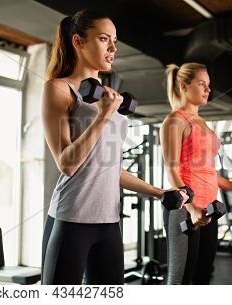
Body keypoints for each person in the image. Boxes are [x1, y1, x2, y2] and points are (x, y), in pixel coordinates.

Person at [41, 10, 187, 285]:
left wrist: (159, 191)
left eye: (115, 41)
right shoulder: (59, 89)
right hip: (72, 218)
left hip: (109, 222)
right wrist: (103, 115)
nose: (112, 48)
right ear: (78, 41)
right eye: (104, 39)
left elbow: (111, 168)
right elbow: (67, 164)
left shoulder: (110, 97)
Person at [160, 63, 232, 284]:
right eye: (202, 84)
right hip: (184, 209)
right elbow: (172, 170)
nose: (208, 89)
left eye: (208, 85)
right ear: (184, 86)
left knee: (203, 277)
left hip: (209, 209)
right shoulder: (175, 121)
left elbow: (208, 172)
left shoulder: (202, 123)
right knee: (180, 279)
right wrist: (191, 207)